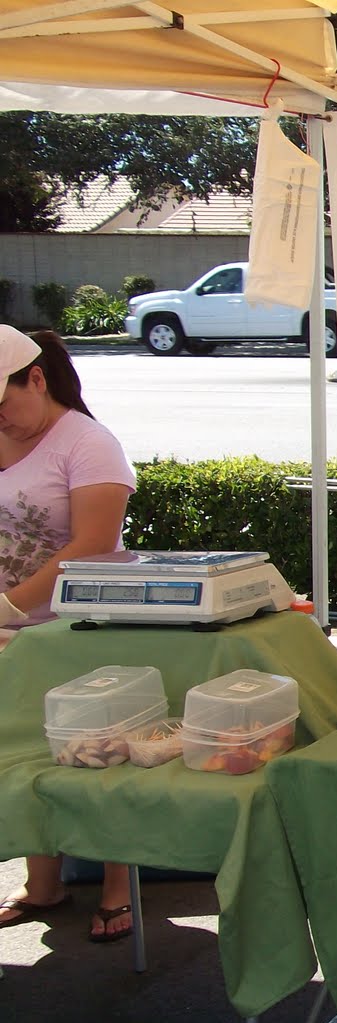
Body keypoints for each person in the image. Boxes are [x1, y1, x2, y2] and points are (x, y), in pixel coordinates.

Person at [0, 324, 138, 944]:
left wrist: (10, 606)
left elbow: (93, 546)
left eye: (2, 405)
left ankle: (117, 887)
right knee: (25, 753)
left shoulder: (88, 444)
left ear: (36, 378)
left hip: (82, 629)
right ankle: (42, 882)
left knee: (94, 755)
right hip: (11, 630)